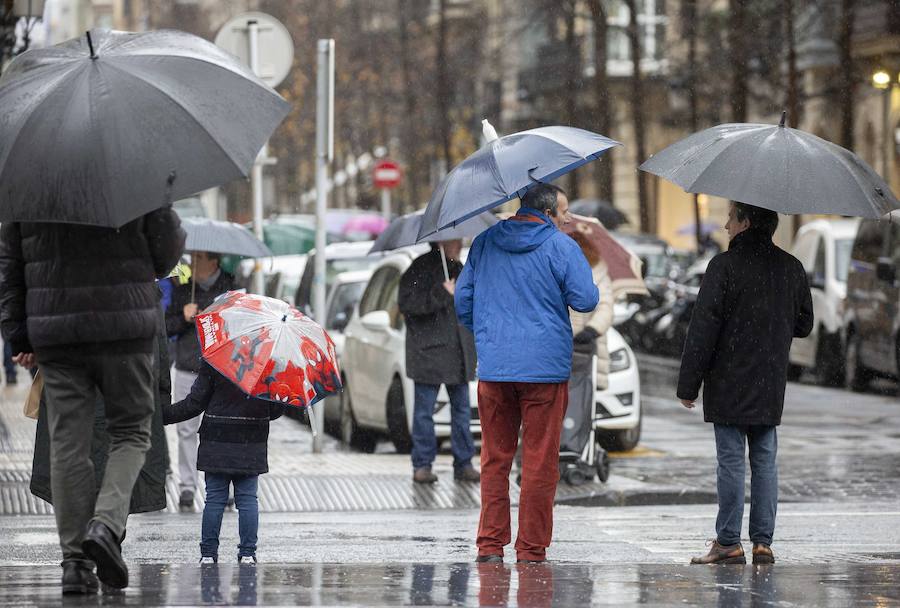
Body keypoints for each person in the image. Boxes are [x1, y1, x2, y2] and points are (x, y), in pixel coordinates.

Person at [0, 207, 184, 592]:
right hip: (124, 326)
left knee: (68, 443)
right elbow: (166, 251)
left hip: (58, 328)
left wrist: (18, 333)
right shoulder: (133, 166)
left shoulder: (32, 180)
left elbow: (10, 262)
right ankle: (106, 525)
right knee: (132, 432)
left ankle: (75, 565)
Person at [455, 183, 599, 563]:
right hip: (545, 370)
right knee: (539, 460)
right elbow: (586, 299)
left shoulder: (485, 243)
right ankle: (531, 548)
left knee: (494, 457)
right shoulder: (561, 246)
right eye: (562, 212)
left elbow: (463, 303)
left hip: (496, 368)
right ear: (549, 212)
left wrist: (491, 333)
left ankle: (490, 544)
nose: (566, 219)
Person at [678, 202, 813, 565]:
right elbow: (805, 325)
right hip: (769, 379)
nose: (725, 225)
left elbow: (702, 330)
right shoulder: (792, 268)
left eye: (731, 218)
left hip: (728, 379)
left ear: (746, 222)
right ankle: (763, 542)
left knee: (732, 462)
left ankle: (727, 543)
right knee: (765, 460)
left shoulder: (723, 267)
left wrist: (688, 386)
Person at [162, 360, 285, 565]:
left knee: (215, 499)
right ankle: (247, 553)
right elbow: (275, 410)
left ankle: (208, 554)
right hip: (251, 440)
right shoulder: (267, 363)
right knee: (247, 499)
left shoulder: (216, 360)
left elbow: (195, 403)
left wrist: (163, 415)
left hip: (217, 438)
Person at [398, 240, 479, 484]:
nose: (460, 244)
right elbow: (408, 306)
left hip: (459, 353)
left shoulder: (460, 268)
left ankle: (464, 463)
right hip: (429, 354)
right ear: (441, 241)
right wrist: (442, 293)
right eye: (455, 240)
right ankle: (422, 464)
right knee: (425, 412)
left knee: (462, 411)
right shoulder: (419, 268)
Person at [165, 250, 234, 510]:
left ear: (212, 261)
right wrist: (183, 317)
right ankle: (187, 486)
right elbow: (166, 325)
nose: (191, 262)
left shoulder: (231, 287)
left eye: (197, 258)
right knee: (186, 428)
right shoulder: (184, 288)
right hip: (187, 365)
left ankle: (221, 485)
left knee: (219, 428)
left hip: (220, 369)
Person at [568, 231, 615, 392]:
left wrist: (591, 330)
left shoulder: (598, 273)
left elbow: (606, 308)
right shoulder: (556, 267)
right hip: (559, 349)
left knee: (581, 405)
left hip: (586, 350)